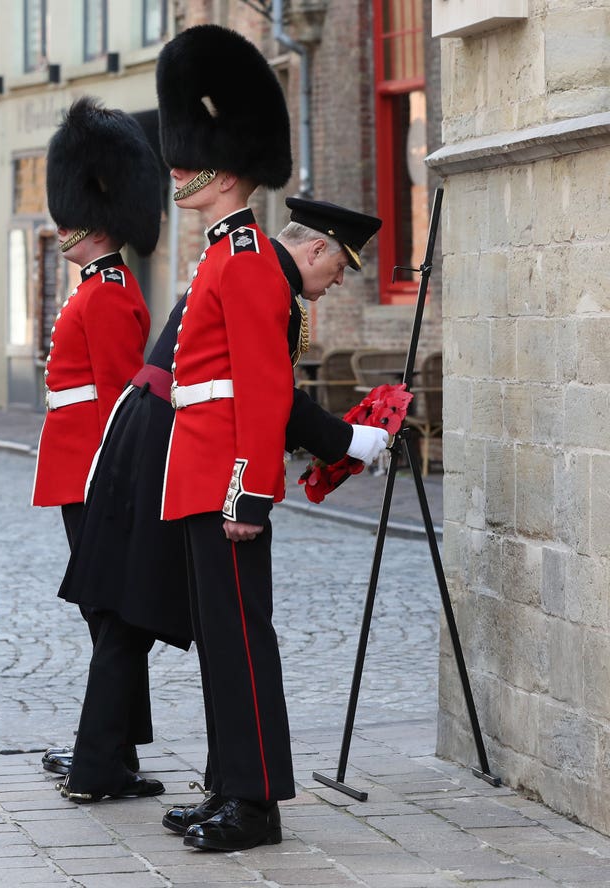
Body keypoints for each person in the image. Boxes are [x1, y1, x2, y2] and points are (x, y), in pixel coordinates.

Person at [52, 196, 385, 805]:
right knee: (189, 621)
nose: (336, 283)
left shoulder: (239, 259)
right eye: (338, 268)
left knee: (152, 613)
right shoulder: (254, 268)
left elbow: (249, 392)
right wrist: (346, 441)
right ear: (315, 248)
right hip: (178, 453)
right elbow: (265, 390)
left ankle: (130, 763)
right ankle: (225, 786)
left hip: (172, 449)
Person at [157, 25, 385, 853]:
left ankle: (255, 803)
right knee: (220, 642)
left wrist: (250, 489)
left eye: (191, 161)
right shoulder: (222, 256)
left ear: (227, 166)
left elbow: (261, 388)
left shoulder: (247, 257)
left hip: (227, 478)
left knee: (242, 642)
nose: (178, 171)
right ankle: (229, 783)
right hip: (200, 469)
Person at [32, 95, 163, 796]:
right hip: (73, 469)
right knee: (105, 613)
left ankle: (107, 754)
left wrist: (121, 483)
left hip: (95, 473)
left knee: (111, 613)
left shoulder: (111, 293)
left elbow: (120, 405)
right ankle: (114, 750)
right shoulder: (94, 288)